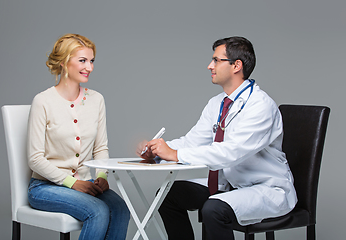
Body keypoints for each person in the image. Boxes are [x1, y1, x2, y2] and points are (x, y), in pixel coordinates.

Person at [137, 36, 297, 240]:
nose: (209, 66)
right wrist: (158, 150)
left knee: (214, 209)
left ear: (236, 65)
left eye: (216, 60)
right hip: (231, 183)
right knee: (167, 195)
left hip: (265, 188)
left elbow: (231, 153)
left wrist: (175, 154)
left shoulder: (260, 105)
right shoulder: (217, 103)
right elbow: (193, 141)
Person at [27, 33, 130, 240]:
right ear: (64, 63)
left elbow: (100, 148)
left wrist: (101, 176)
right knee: (97, 211)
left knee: (121, 210)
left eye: (91, 61)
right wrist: (72, 183)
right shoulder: (43, 101)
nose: (89, 67)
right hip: (46, 187)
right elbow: (35, 158)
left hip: (87, 182)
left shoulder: (96, 100)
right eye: (82, 61)